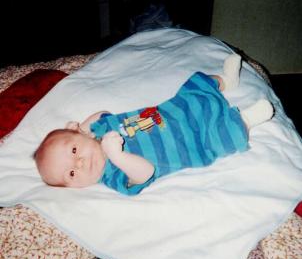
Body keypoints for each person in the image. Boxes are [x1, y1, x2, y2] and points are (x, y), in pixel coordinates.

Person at [34, 54, 274, 195]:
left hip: (174, 111)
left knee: (194, 87)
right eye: (72, 173)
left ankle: (226, 82)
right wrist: (116, 156)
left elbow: (103, 112)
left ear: (77, 132)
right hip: (192, 145)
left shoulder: (100, 130)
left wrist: (85, 129)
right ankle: (248, 119)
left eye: (74, 150)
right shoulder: (113, 176)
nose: (81, 162)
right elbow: (145, 173)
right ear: (74, 186)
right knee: (224, 136)